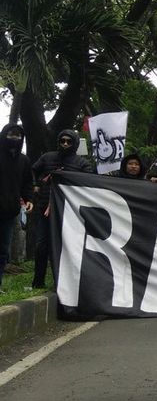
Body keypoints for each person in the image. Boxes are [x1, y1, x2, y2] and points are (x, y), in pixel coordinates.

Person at [31, 129, 94, 288]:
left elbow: (90, 183)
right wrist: (35, 185)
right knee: (41, 246)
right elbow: (32, 170)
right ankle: (38, 283)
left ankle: (61, 283)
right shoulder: (47, 157)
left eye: (69, 141)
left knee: (63, 247)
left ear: (75, 144)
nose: (65, 144)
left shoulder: (82, 163)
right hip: (45, 208)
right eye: (62, 141)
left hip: (69, 212)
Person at [0, 124, 34, 292]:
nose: (14, 139)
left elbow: (27, 182)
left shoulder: (23, 160)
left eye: (18, 136)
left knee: (3, 250)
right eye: (11, 135)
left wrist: (28, 199)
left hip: (9, 212)